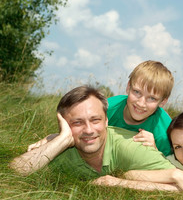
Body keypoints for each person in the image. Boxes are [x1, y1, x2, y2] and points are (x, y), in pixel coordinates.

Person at [10, 86, 183, 196]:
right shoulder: (62, 151)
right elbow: (15, 172)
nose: (89, 130)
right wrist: (61, 140)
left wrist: (115, 183)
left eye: (95, 120)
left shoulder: (131, 146)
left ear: (106, 120)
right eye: (77, 123)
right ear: (64, 124)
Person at [28, 60, 174, 156]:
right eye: (137, 92)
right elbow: (80, 131)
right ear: (128, 87)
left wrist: (155, 150)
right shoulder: (109, 107)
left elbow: (172, 165)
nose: (141, 103)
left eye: (152, 98)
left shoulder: (164, 129)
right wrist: (50, 139)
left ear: (162, 102)